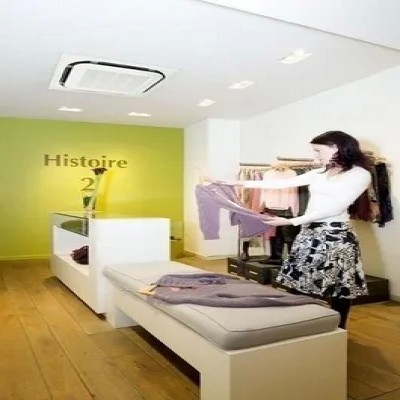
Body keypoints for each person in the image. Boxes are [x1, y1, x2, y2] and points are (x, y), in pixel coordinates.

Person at [203, 130, 372, 329]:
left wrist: (292, 221)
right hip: (309, 232)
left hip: (336, 235)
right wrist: (233, 182)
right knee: (297, 279)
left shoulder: (360, 174)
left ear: (336, 147)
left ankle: (339, 328)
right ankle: (296, 323)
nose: (315, 156)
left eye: (318, 151)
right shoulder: (321, 172)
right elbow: (282, 183)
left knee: (338, 286)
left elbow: (335, 208)